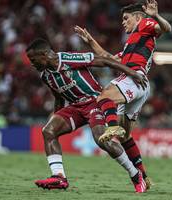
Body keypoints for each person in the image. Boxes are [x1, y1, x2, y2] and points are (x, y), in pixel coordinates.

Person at [26, 38, 149, 193]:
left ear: (44, 54)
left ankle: (135, 174)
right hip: (75, 107)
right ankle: (59, 177)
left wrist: (131, 72)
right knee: (48, 131)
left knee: (102, 140)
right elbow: (58, 97)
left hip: (94, 101)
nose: (32, 63)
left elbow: (103, 61)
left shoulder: (67, 58)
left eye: (33, 59)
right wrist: (57, 118)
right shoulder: (45, 76)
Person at [74, 0, 171, 187]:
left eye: (126, 18)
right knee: (125, 137)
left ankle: (112, 127)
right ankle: (144, 177)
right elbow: (109, 59)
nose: (123, 22)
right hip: (141, 86)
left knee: (103, 97)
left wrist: (155, 15)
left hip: (134, 79)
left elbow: (166, 28)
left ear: (137, 17)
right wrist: (90, 40)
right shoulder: (130, 44)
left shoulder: (145, 24)